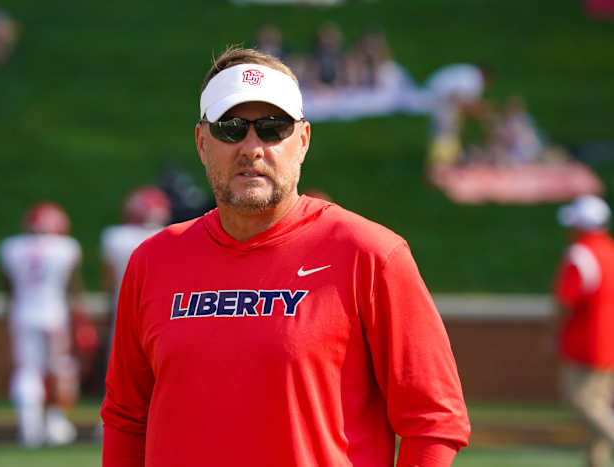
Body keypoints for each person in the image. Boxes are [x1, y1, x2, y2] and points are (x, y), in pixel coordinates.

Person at [101, 47, 470, 466]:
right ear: (203, 143)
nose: (252, 147)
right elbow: (126, 418)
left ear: (303, 140)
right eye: (231, 128)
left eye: (273, 128)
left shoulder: (370, 254)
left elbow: (434, 420)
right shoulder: (153, 260)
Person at [0, 202, 87, 447]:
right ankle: (56, 423)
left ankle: (29, 428)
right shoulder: (66, 248)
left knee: (27, 371)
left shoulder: (11, 247)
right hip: (54, 316)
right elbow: (72, 288)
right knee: (61, 369)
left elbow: (8, 288)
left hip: (23, 314)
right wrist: (80, 318)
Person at [554, 195, 614, 467]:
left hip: (586, 344)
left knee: (582, 403)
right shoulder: (609, 250)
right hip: (608, 342)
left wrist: (553, 333)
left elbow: (566, 301)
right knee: (601, 405)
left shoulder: (580, 254)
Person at [100, 186, 172, 361]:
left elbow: (108, 282)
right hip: (161, 313)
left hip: (124, 312)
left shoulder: (115, 237)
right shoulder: (171, 237)